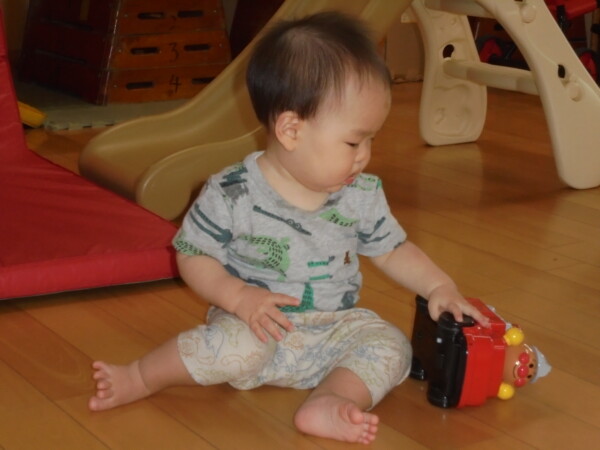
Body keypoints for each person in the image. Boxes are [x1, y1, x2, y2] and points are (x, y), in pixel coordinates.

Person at [89, 11, 490, 445]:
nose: (364, 155)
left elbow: (392, 249)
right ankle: (142, 376)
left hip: (335, 327)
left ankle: (330, 400)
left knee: (392, 345)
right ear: (291, 130)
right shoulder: (233, 192)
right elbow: (192, 254)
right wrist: (238, 297)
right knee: (235, 349)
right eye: (354, 141)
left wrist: (439, 286)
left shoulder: (360, 194)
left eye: (371, 140)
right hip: (254, 324)